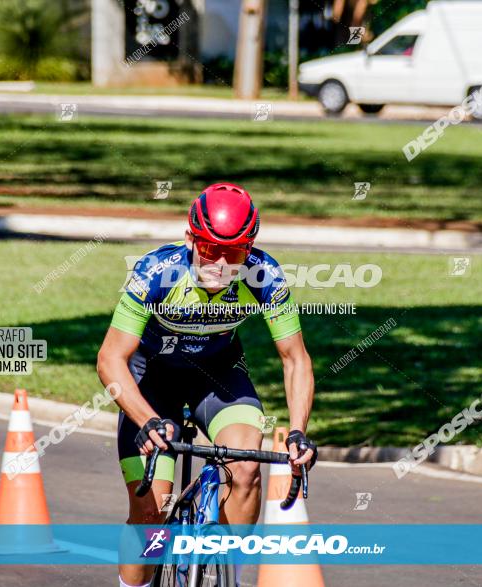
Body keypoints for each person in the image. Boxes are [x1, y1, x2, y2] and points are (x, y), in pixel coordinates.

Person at [97, 182, 318, 587]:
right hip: (153, 383)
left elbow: (295, 358)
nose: (219, 262)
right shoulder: (156, 271)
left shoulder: (264, 274)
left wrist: (299, 430)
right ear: (189, 239)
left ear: (248, 250)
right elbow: (111, 358)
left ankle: (223, 574)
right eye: (210, 249)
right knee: (150, 514)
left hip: (218, 376)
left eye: (233, 253)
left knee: (247, 467)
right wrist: (146, 420)